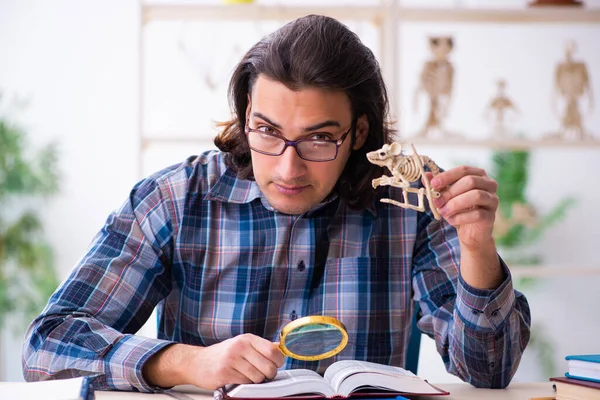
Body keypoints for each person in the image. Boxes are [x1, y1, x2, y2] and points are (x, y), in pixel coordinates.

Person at [22, 14, 531, 393]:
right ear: (246, 116)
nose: (289, 169)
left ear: (358, 133)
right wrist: (183, 363)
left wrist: (477, 248)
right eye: (267, 131)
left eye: (318, 139)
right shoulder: (176, 200)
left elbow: (490, 371)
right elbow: (48, 347)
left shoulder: (412, 201)